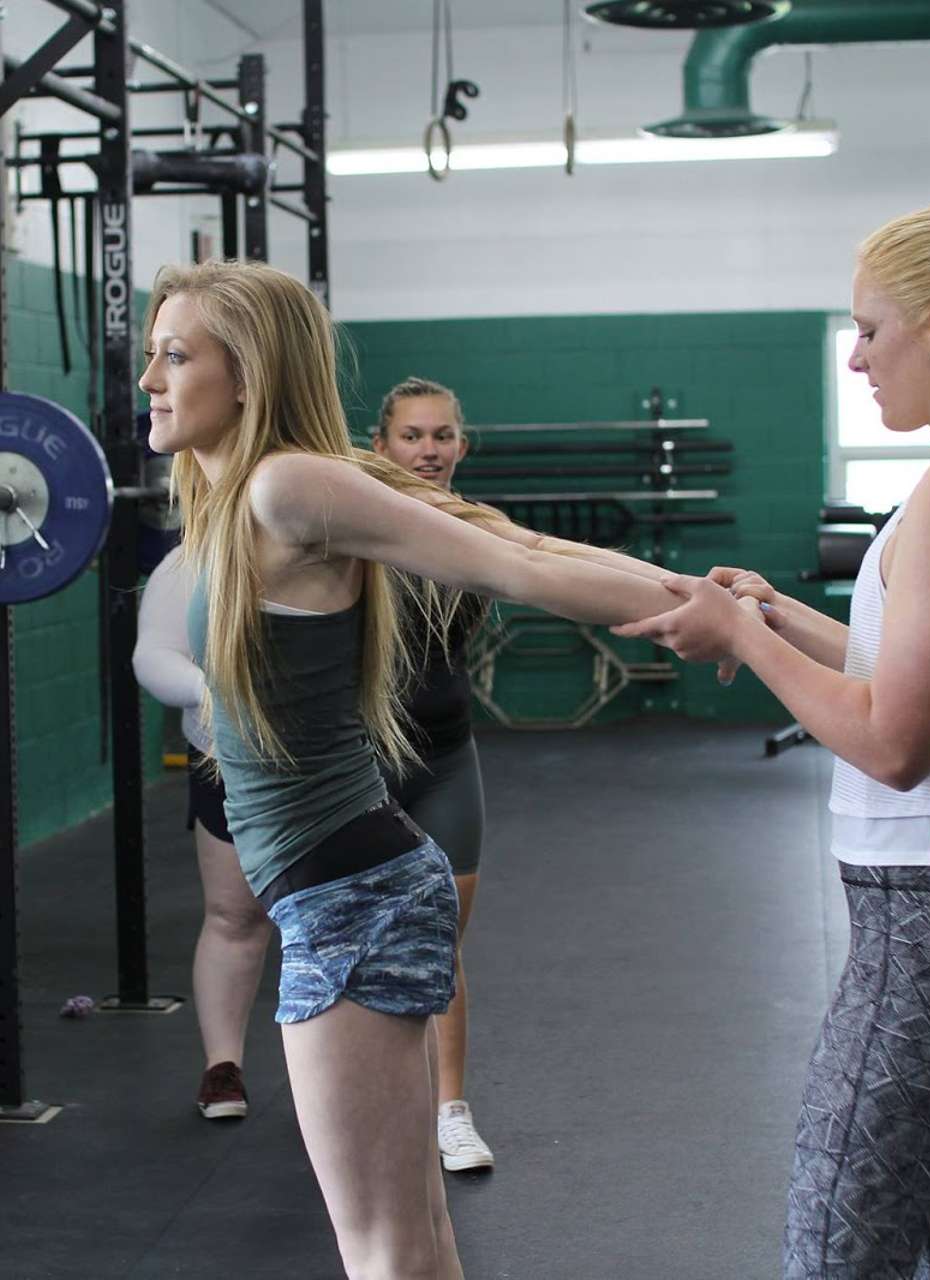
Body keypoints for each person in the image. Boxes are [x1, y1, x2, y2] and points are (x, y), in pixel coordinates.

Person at [140, 257, 684, 1280]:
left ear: (248, 372)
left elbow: (510, 560)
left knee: (383, 1251)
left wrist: (714, 609)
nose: (150, 380)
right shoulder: (250, 488)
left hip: (350, 898)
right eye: (153, 354)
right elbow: (505, 531)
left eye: (177, 355)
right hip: (349, 885)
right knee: (414, 1242)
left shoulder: (286, 484)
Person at [617, 207, 930, 1278]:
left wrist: (742, 638)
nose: (854, 357)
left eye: (867, 330)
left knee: (836, 1243)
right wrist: (781, 614)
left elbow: (895, 741)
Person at [371, 378, 493, 1171]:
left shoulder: (478, 530)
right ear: (380, 444)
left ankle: (451, 1110)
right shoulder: (355, 522)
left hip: (446, 755)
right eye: (412, 436)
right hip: (364, 764)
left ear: (462, 445)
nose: (428, 451)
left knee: (441, 941)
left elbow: (547, 566)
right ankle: (379, 1109)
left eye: (442, 435)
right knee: (371, 945)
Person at [133, 547, 271, 1120]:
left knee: (345, 919)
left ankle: (353, 1076)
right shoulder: (192, 561)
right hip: (229, 758)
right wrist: (213, 695)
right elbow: (155, 655)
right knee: (234, 915)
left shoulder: (339, 538)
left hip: (337, 759)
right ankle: (223, 1069)